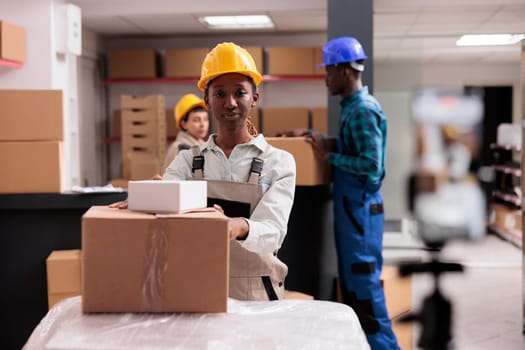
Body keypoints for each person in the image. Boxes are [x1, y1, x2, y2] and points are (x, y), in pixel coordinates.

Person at [112, 42, 296, 301]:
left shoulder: (279, 162)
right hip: (197, 285)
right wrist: (150, 199)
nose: (230, 102)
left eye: (240, 93)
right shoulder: (187, 161)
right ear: (207, 100)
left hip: (256, 293)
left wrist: (237, 226)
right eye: (220, 94)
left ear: (254, 98)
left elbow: (273, 232)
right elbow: (167, 206)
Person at [306, 37, 400, 350]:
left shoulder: (362, 110)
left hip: (360, 215)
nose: (325, 77)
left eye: (329, 70)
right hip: (354, 213)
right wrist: (320, 139)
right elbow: (355, 146)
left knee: (365, 297)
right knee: (354, 292)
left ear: (346, 70)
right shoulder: (353, 108)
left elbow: (371, 165)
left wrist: (327, 156)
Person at [161, 93, 209, 173]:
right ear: (184, 124)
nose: (202, 124)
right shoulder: (179, 149)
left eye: (205, 119)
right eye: (196, 120)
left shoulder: (203, 146)